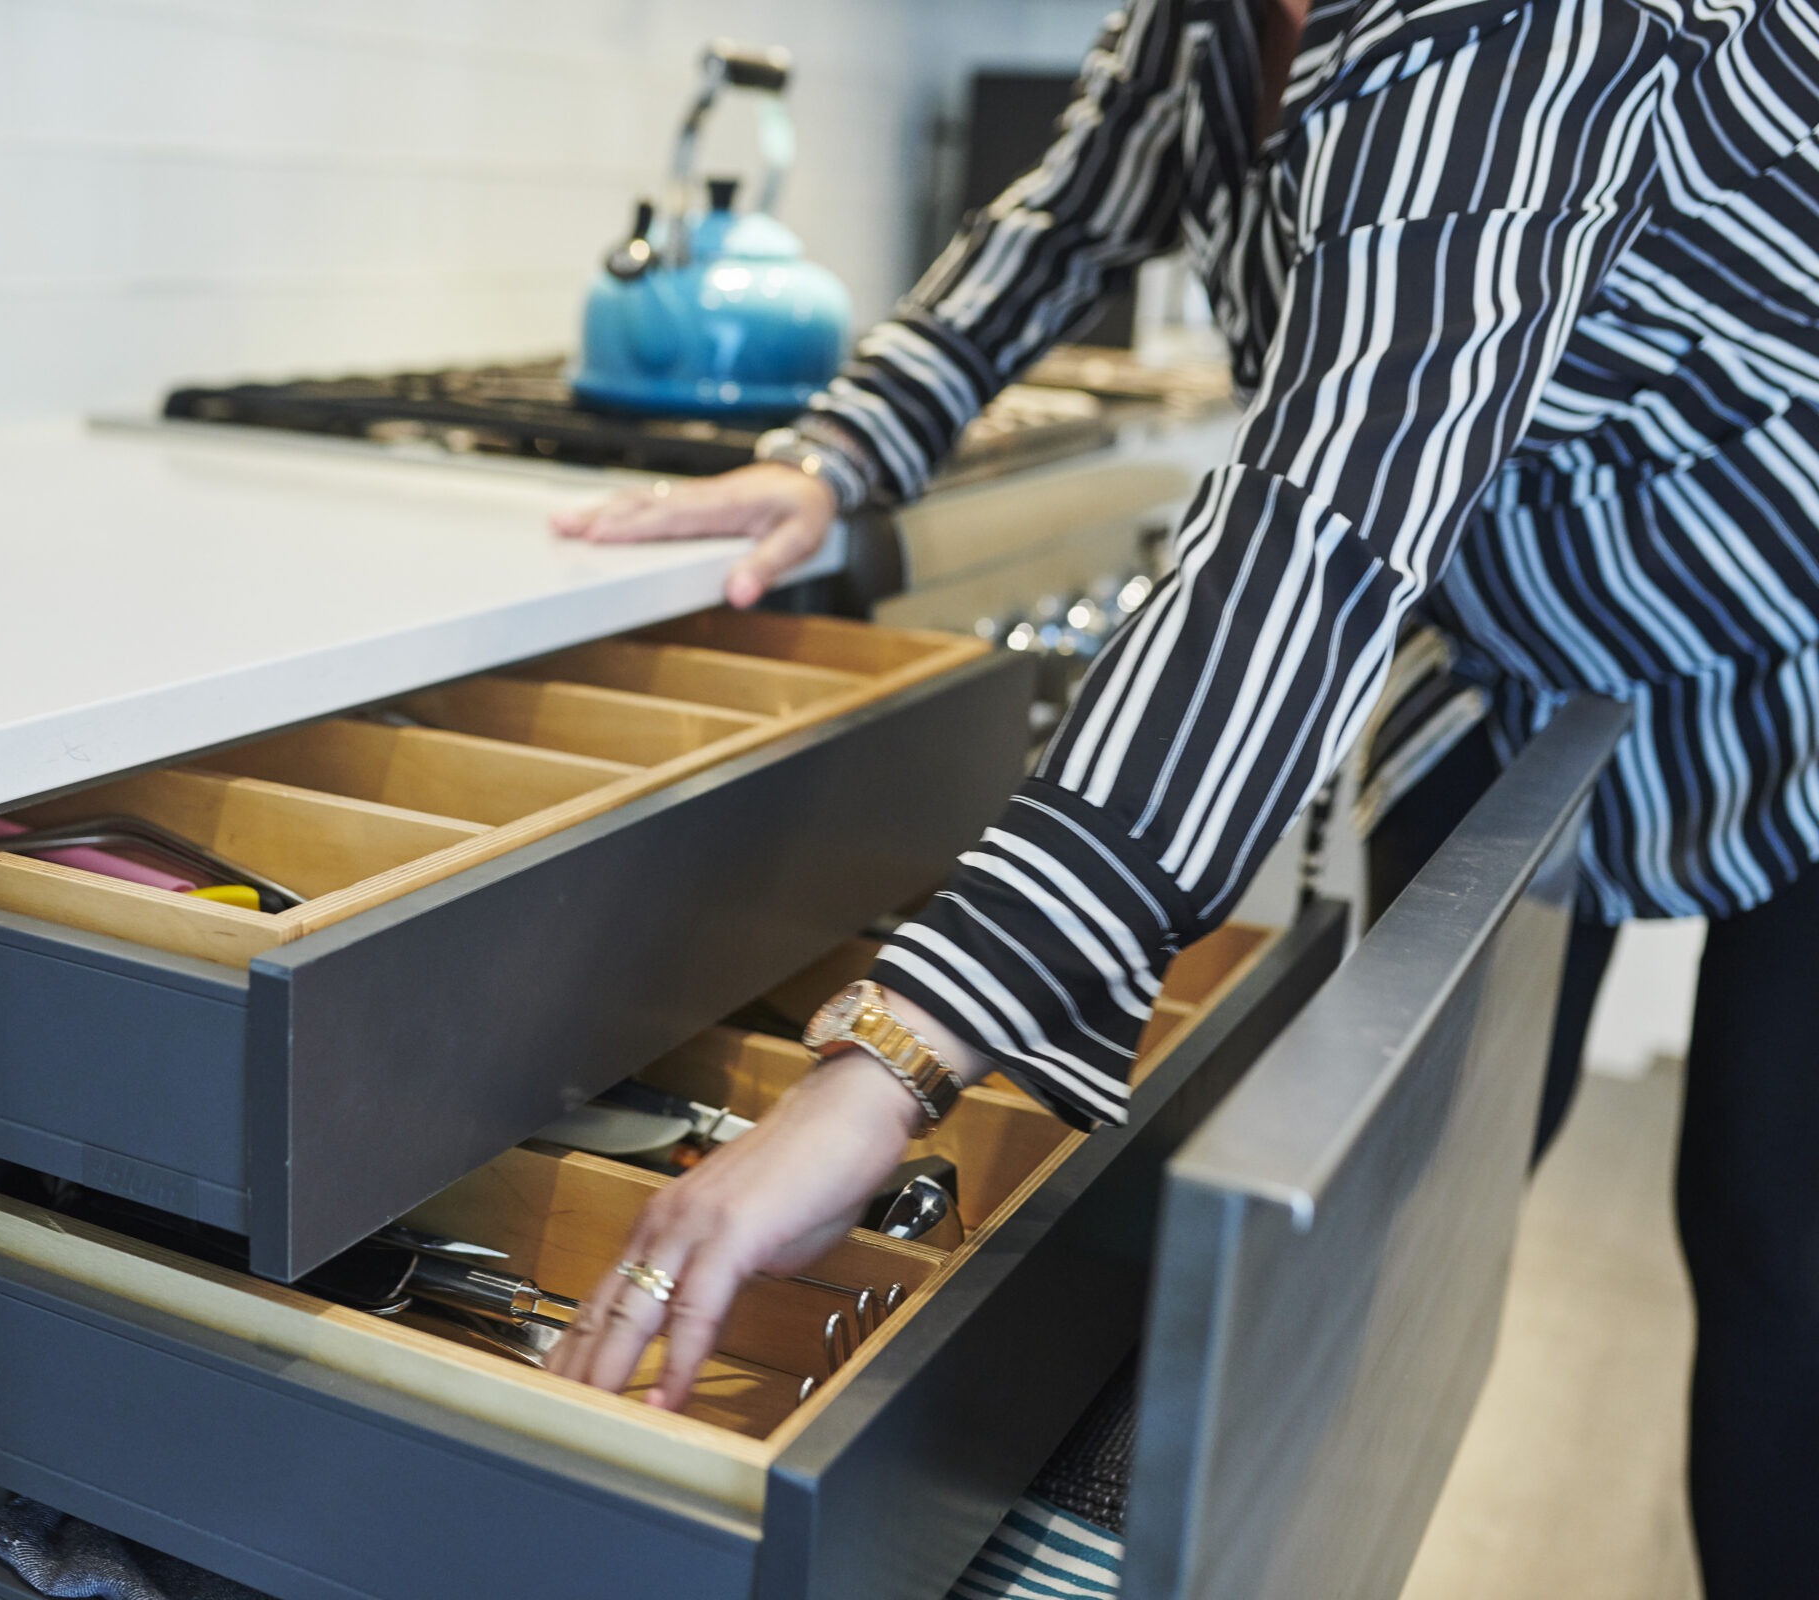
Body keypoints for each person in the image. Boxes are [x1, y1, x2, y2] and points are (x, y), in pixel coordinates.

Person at [542, 0, 1819, 1591]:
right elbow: (1069, 210)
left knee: (1781, 1256)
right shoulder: (1209, 15)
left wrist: (889, 1064)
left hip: (1786, 596)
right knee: (1386, 1205)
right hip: (1537, 638)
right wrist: (844, 448)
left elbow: (1321, 513)